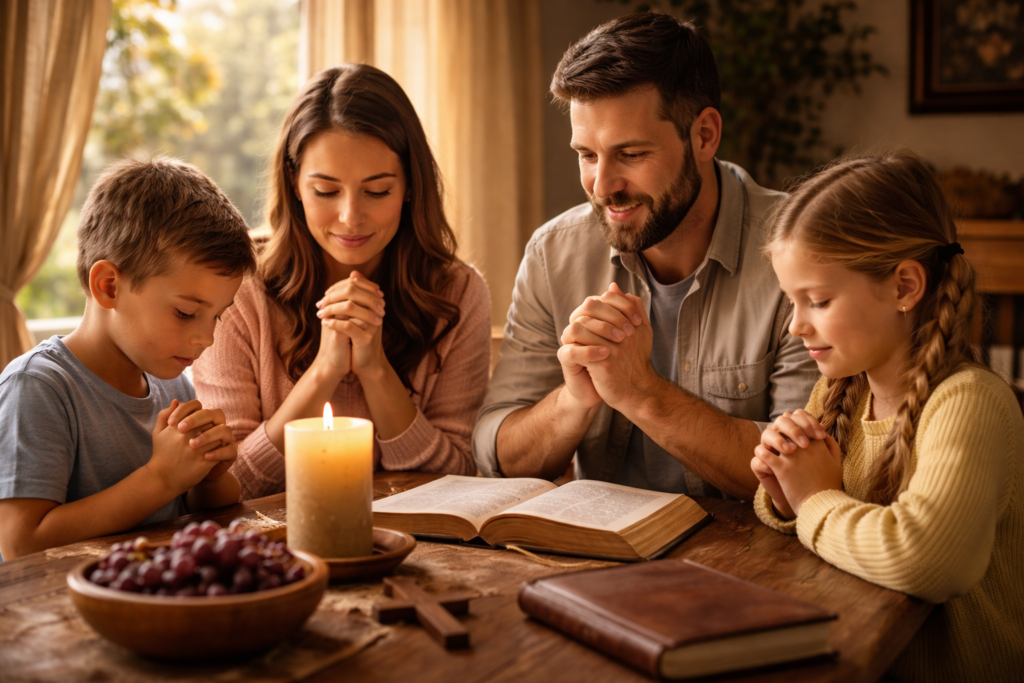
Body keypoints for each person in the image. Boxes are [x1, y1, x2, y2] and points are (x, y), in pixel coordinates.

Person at [473, 13, 818, 498]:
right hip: (593, 541)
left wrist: (640, 392)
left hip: (745, 545)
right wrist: (573, 401)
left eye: (631, 155)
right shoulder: (554, 253)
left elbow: (806, 473)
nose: (602, 186)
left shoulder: (803, 253)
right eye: (586, 155)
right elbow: (497, 454)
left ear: (704, 135)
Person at [751, 151, 1024, 681]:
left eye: (818, 301)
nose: (794, 326)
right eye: (791, 301)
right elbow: (822, 523)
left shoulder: (969, 403)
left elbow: (930, 561)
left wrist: (812, 499)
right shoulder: (840, 389)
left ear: (904, 287)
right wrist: (783, 492)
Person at [192, 64, 491, 500]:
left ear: (410, 186)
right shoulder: (238, 285)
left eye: (377, 191)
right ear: (295, 183)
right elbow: (229, 482)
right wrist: (324, 371)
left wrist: (375, 368)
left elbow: (455, 476)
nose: (351, 217)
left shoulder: (458, 293)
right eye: (326, 191)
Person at [0, 157, 255, 560]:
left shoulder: (173, 382)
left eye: (217, 316)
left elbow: (199, 512)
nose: (206, 338)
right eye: (186, 313)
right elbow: (20, 543)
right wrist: (161, 478)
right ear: (109, 286)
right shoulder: (38, 387)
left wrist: (208, 477)